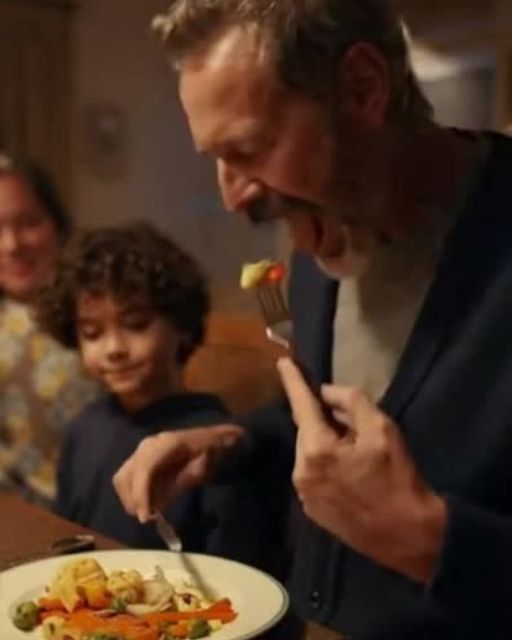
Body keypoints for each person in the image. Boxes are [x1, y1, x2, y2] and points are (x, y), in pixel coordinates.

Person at [114, 1, 512, 638]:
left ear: (362, 89)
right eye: (216, 158)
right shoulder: (321, 233)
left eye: (248, 149)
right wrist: (231, 442)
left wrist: (426, 538)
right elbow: (325, 421)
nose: (231, 196)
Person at [36, 222, 288, 570]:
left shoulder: (212, 444)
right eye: (92, 333)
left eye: (136, 325)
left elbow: (238, 573)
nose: (114, 348)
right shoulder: (85, 427)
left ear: (181, 325)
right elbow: (66, 537)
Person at [0, 154, 98, 505]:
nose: (13, 245)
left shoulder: (103, 311)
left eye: (29, 223)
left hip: (96, 509)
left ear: (58, 225)